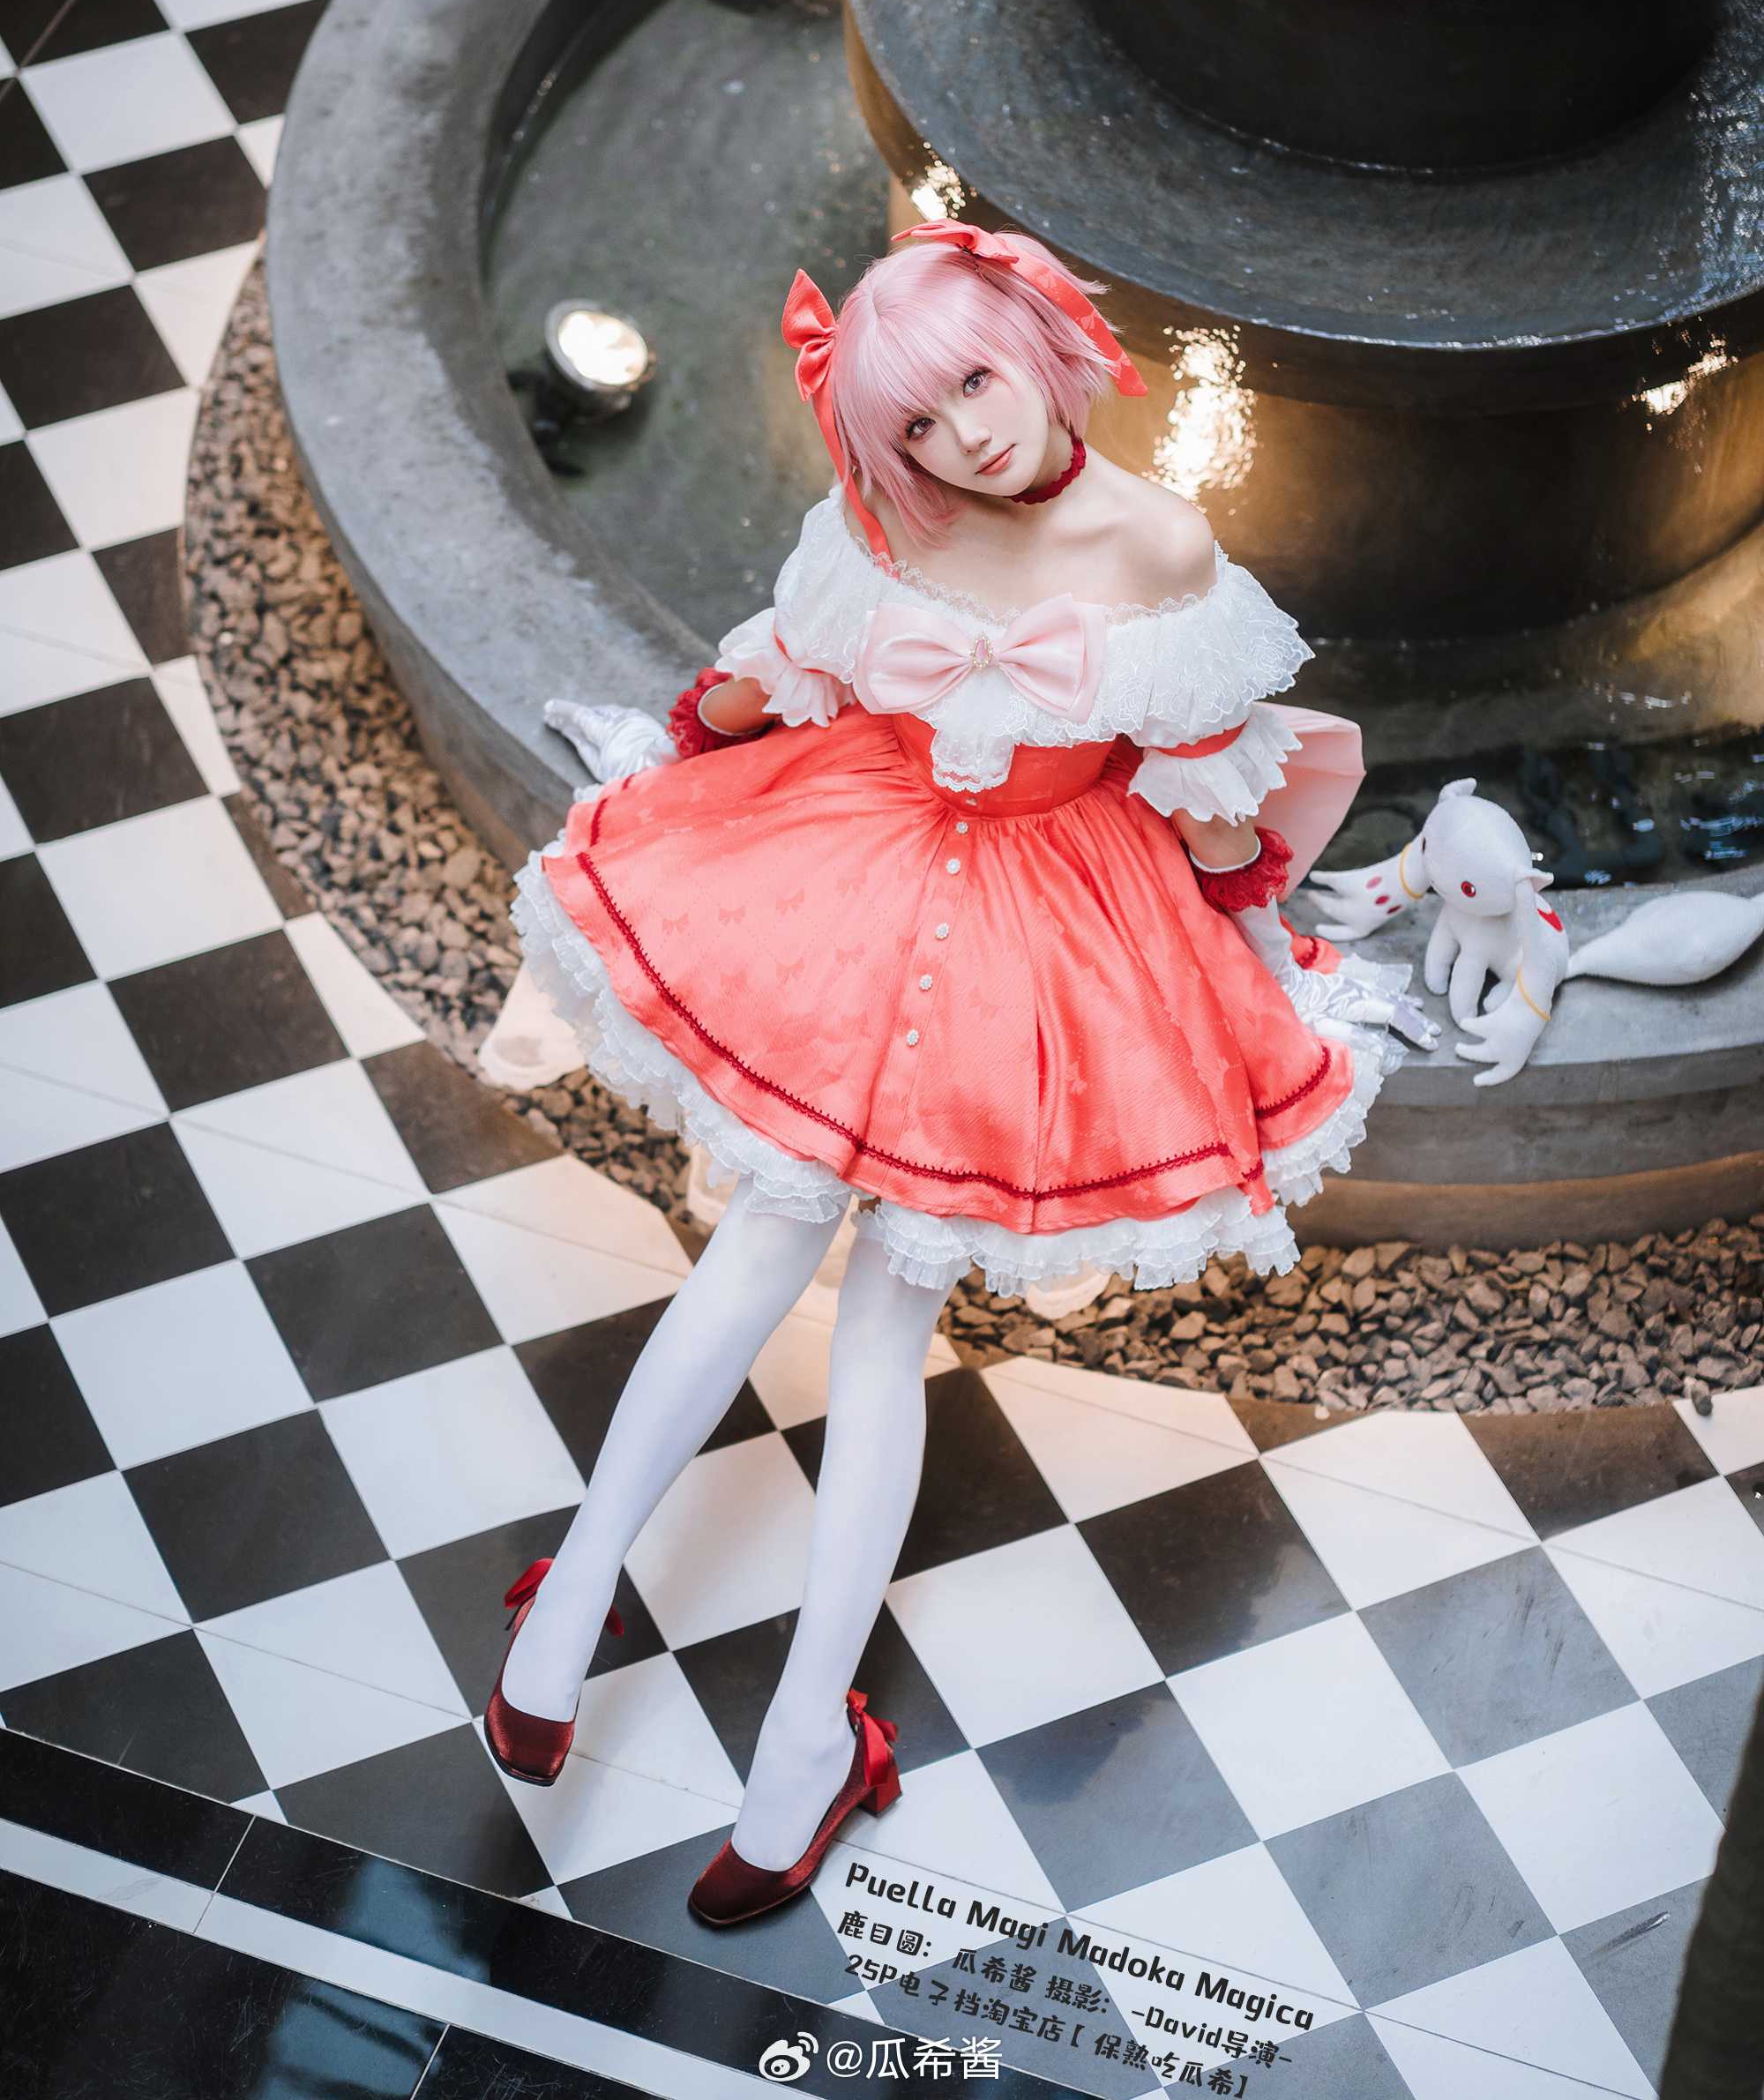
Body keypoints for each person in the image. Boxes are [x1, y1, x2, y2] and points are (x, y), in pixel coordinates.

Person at [489, 218, 1427, 1924]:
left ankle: (561, 1648)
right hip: (987, 906)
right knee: (855, 1315)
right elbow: (1208, 817)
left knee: (784, 1265)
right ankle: (786, 1752)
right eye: (914, 421)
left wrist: (706, 738)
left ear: (1042, 345)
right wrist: (1242, 923)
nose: (961, 440)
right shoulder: (1124, 537)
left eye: (976, 386)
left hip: (913, 890)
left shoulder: (1115, 541)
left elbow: (775, 679)